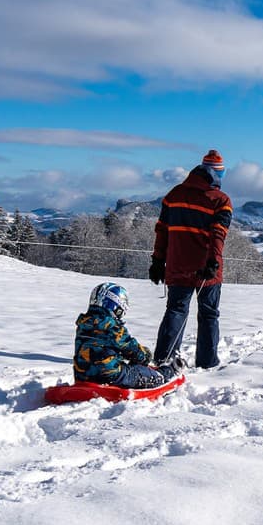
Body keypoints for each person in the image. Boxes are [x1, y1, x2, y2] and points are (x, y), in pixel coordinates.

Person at [150, 149, 232, 369]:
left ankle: (164, 359)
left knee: (176, 310)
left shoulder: (173, 195)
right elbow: (218, 234)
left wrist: (157, 261)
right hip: (207, 268)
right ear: (215, 173)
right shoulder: (221, 201)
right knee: (208, 315)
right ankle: (207, 363)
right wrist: (213, 261)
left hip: (177, 264)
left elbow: (162, 231)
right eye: (221, 173)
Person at [74, 283, 182, 388]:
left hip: (83, 375)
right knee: (140, 373)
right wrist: (145, 356)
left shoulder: (83, 324)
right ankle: (166, 373)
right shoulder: (112, 327)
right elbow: (131, 348)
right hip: (110, 375)